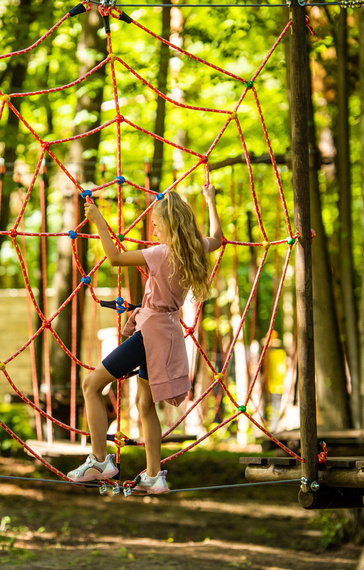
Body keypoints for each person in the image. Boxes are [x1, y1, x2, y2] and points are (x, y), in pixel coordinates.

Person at [67, 183, 223, 494]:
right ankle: (154, 475)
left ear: (169, 223)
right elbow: (217, 238)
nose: (153, 227)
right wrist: (210, 200)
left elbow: (113, 257)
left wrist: (98, 219)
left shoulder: (161, 253)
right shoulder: (193, 247)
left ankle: (99, 460)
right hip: (168, 333)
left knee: (91, 385)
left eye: (156, 223)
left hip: (149, 334)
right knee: (145, 404)